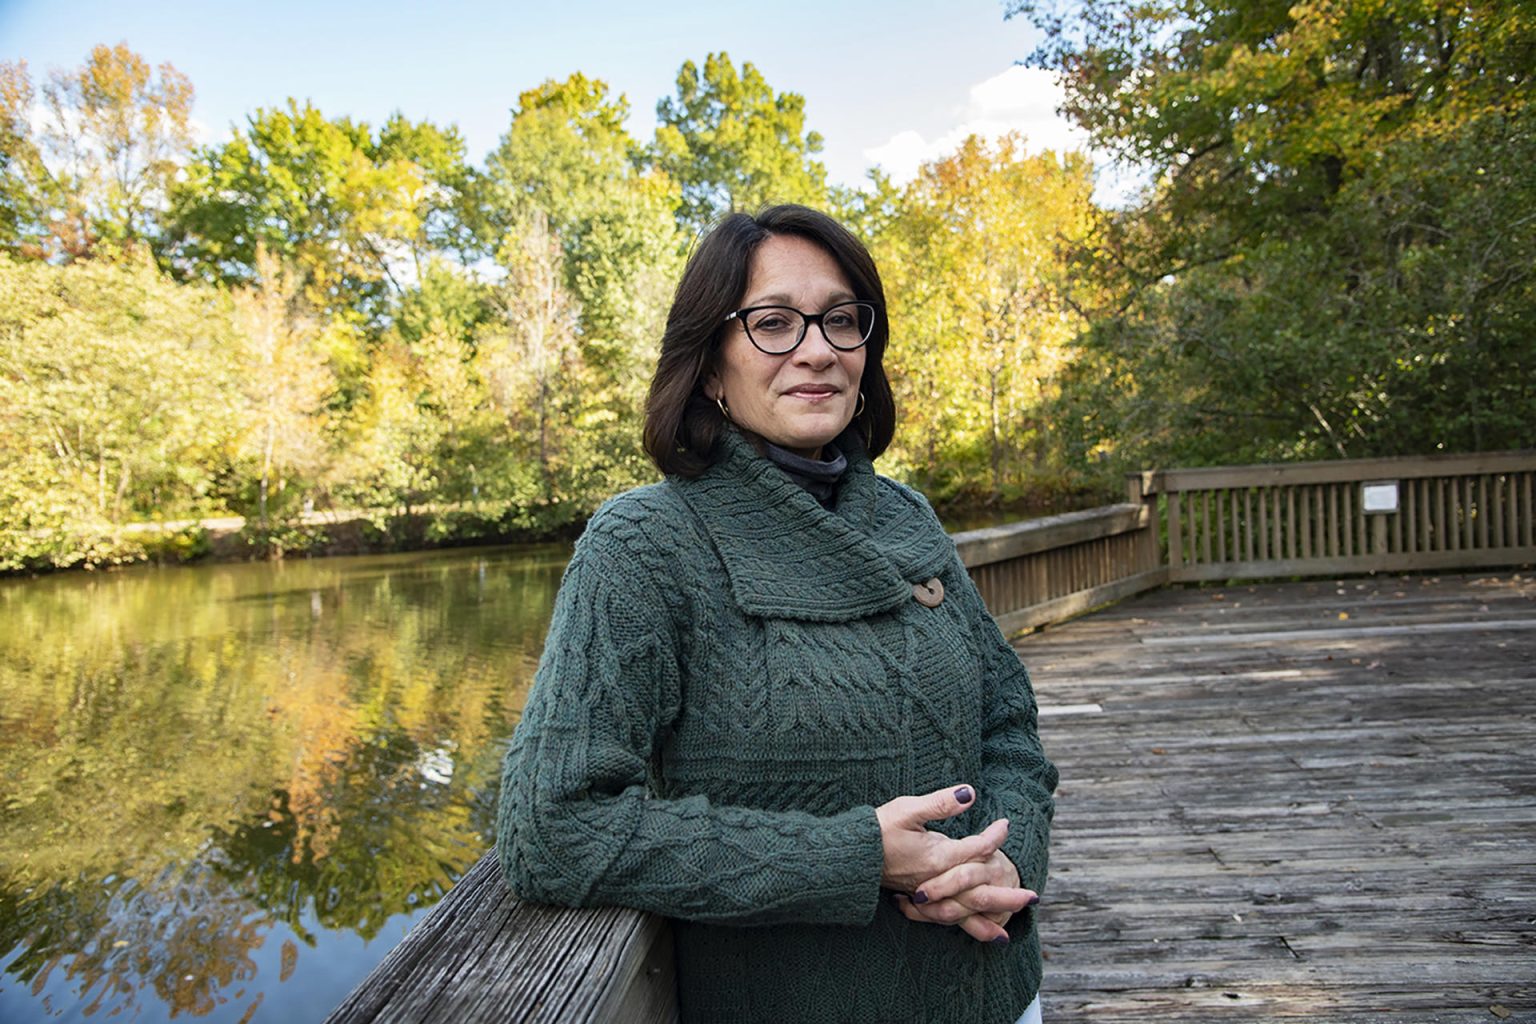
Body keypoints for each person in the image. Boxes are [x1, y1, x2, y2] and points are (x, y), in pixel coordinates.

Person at [496, 204, 1058, 1024]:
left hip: (998, 994)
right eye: (773, 323)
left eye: (840, 320)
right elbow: (553, 826)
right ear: (711, 366)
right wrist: (855, 857)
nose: (818, 348)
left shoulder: (908, 517)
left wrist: (1007, 863)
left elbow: (1009, 724)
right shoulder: (647, 546)